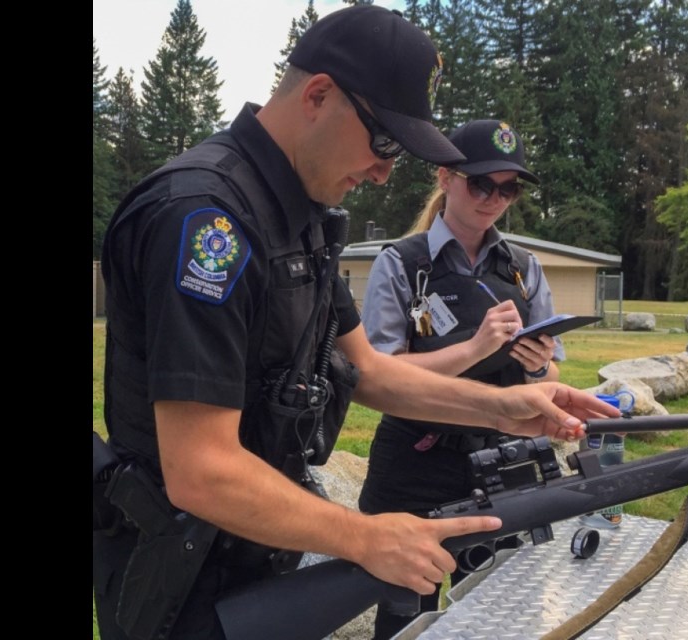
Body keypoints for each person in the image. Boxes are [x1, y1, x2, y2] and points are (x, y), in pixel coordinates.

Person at [92, 6, 619, 640]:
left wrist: (503, 407)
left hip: (258, 549)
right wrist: (368, 536)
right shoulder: (207, 221)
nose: (384, 171)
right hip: (180, 579)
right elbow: (201, 467)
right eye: (385, 143)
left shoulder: (301, 216)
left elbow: (366, 369)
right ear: (319, 95)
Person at [357, 119, 564, 638]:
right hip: (415, 461)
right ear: (446, 178)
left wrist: (538, 365)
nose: (494, 198)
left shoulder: (524, 268)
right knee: (405, 613)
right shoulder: (401, 264)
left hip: (506, 459)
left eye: (508, 188)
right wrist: (475, 347)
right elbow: (378, 372)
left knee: (504, 613)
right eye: (481, 183)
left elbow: (552, 368)